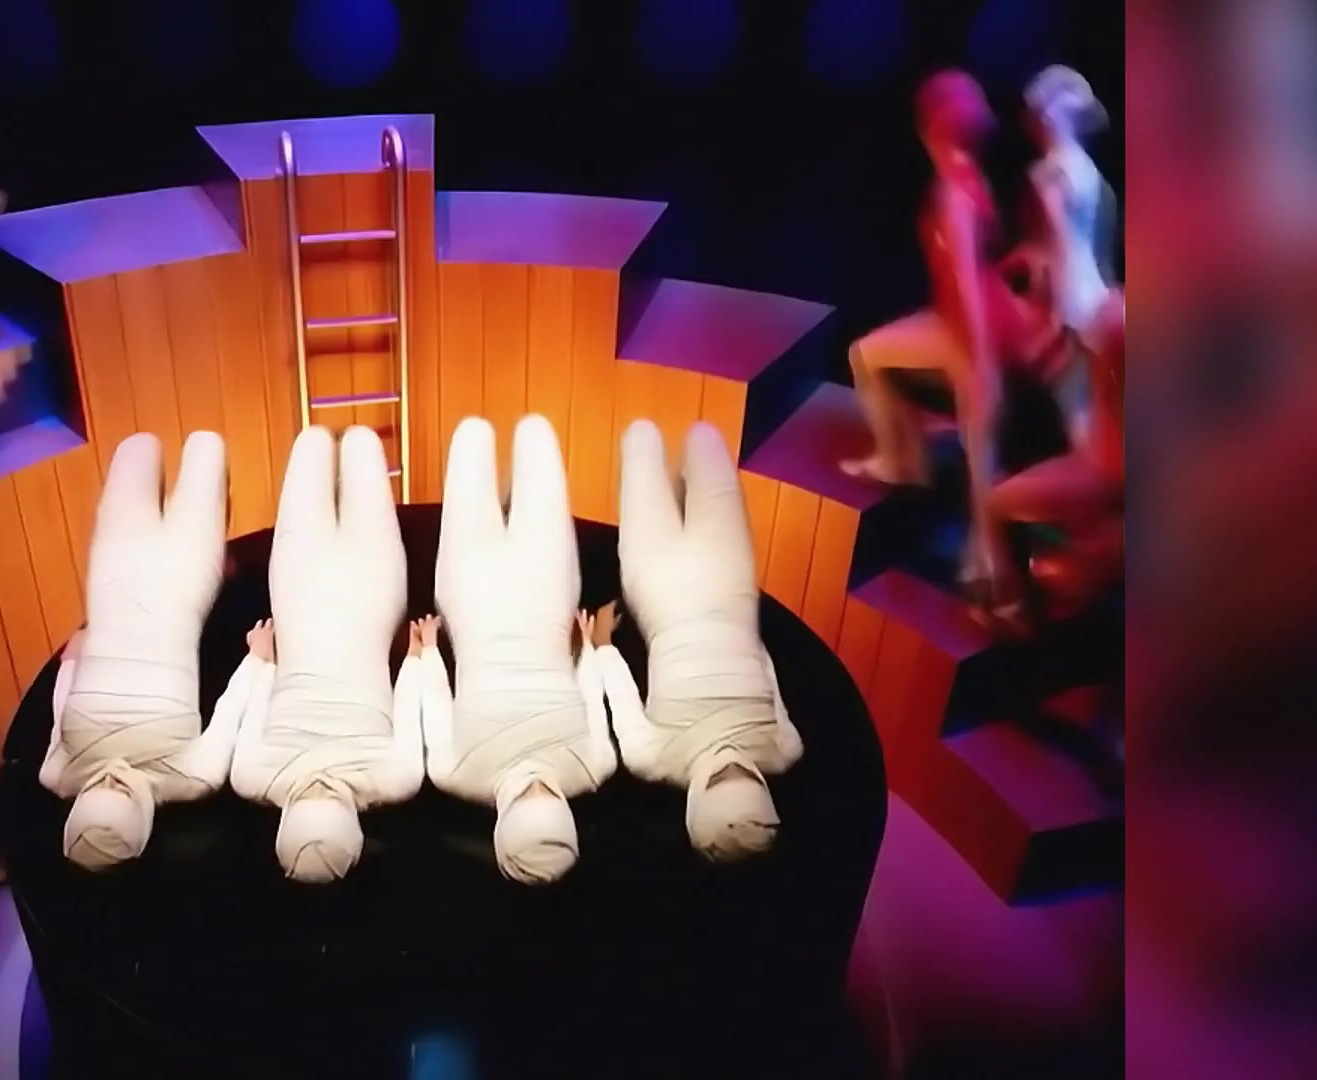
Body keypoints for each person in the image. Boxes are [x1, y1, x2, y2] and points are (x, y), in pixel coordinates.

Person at [840, 70, 1029, 608]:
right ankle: (905, 459)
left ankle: (997, 578)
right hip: (960, 322)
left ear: (930, 130)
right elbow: (987, 260)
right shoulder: (973, 179)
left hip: (968, 331)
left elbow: (968, 280)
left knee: (981, 458)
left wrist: (981, 357)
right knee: (870, 356)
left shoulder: (954, 193)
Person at [419, 415, 619, 886]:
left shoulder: (455, 774)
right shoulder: (593, 767)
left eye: (525, 801)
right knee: (537, 433)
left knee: (471, 436)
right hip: (545, 597)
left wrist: (426, 651)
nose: (535, 787)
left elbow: (435, 700)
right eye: (546, 798)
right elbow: (591, 694)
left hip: (472, 598)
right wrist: (591, 648)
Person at [228, 425, 425, 884]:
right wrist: (419, 658)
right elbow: (410, 705)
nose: (319, 785)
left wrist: (258, 660)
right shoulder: (395, 779)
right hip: (370, 599)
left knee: (311, 444)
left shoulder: (253, 777)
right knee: (364, 445)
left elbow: (249, 707)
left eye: (307, 797)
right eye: (330, 797)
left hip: (301, 598)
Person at [40, 432, 243, 869]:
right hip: (181, 585)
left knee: (137, 447)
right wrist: (260, 662)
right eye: (121, 791)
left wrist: (72, 664)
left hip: (115, 582)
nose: (112, 778)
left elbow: (60, 717)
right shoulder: (189, 777)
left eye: (101, 787)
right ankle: (219, 536)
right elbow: (232, 711)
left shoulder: (59, 775)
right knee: (207, 448)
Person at [602, 420, 802, 860]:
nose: (730, 762)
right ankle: (678, 491)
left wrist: (600, 646)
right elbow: (767, 670)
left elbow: (618, 691)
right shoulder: (782, 749)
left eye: (719, 778)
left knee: (641, 439)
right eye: (743, 776)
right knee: (704, 438)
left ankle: (673, 493)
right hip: (726, 582)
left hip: (660, 589)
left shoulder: (655, 759)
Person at [980, 66, 1126, 624]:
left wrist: (1053, 318)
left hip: (1079, 313)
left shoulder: (1059, 174)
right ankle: (1086, 558)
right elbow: (1076, 253)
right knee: (1090, 436)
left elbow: (1062, 254)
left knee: (1091, 443)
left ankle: (1084, 563)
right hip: (1092, 308)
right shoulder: (1080, 173)